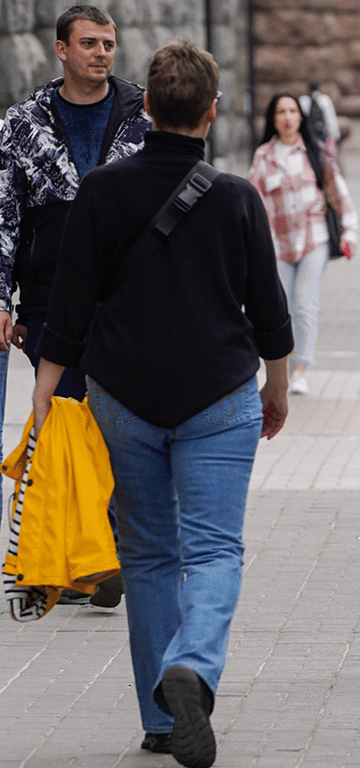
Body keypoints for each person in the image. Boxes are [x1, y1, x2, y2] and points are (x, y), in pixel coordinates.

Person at [34, 39, 292, 765]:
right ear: (210, 114)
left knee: (147, 555)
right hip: (218, 396)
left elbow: (69, 305)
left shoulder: (103, 191)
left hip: (124, 399)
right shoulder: (238, 196)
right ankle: (195, 668)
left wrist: (46, 393)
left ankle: (158, 714)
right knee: (213, 548)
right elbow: (270, 312)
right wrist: (276, 389)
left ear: (145, 107)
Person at [0, 4, 153, 609]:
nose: (102, 54)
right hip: (50, 305)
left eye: (109, 44)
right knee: (62, 427)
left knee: (118, 425)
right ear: (60, 50)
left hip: (129, 304)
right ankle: (70, 557)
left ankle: (109, 549)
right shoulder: (22, 124)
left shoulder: (144, 117)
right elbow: (4, 219)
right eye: (89, 44)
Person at [249, 93, 358, 397]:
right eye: (281, 111)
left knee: (304, 303)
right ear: (273, 119)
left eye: (292, 111)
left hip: (314, 239)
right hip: (277, 245)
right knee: (280, 306)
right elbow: (254, 204)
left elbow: (339, 194)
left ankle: (301, 369)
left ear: (301, 117)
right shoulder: (263, 157)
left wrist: (350, 232)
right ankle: (280, 367)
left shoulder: (315, 152)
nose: (287, 117)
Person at [298, 82, 339, 156]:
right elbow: (331, 119)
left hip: (308, 136)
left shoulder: (303, 100)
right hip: (323, 135)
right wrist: (334, 136)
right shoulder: (324, 100)